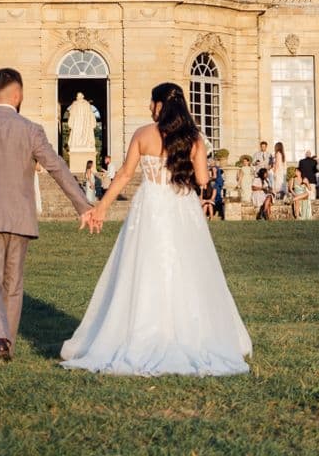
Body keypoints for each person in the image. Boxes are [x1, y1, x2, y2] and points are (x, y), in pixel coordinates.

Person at [64, 82, 252, 376]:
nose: (149, 107)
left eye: (152, 102)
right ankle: (192, 331)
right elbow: (203, 180)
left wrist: (100, 208)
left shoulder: (143, 134)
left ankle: (141, 329)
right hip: (182, 204)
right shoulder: (194, 138)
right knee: (188, 267)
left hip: (150, 205)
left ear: (161, 105)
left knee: (143, 266)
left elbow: (124, 175)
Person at [0, 66, 97, 363]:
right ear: (17, 94)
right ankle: (8, 344)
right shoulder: (31, 130)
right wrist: (84, 206)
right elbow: (57, 167)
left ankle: (1, 339)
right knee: (13, 285)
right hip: (20, 217)